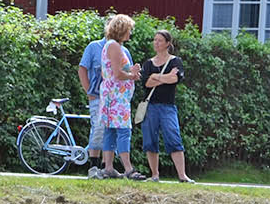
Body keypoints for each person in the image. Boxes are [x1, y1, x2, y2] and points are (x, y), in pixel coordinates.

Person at [141, 30, 193, 182]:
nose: (156, 43)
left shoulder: (175, 61)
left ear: (167, 44)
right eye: (155, 40)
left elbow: (174, 79)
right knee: (150, 140)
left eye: (160, 40)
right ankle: (154, 175)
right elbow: (146, 83)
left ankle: (182, 176)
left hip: (168, 107)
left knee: (173, 137)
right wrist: (165, 77)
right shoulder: (148, 63)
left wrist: (155, 77)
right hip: (150, 106)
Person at [77, 21, 127, 179]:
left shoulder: (124, 50)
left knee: (111, 130)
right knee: (98, 128)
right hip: (98, 96)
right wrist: (89, 92)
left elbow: (126, 73)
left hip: (116, 98)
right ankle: (93, 166)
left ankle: (107, 167)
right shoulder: (94, 47)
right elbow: (82, 69)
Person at [99, 14, 146, 181]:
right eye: (129, 30)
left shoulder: (112, 45)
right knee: (124, 130)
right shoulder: (114, 46)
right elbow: (117, 74)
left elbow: (115, 71)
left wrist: (131, 72)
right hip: (116, 97)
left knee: (110, 131)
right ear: (121, 30)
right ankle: (128, 169)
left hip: (113, 96)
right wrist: (132, 75)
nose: (130, 33)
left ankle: (109, 168)